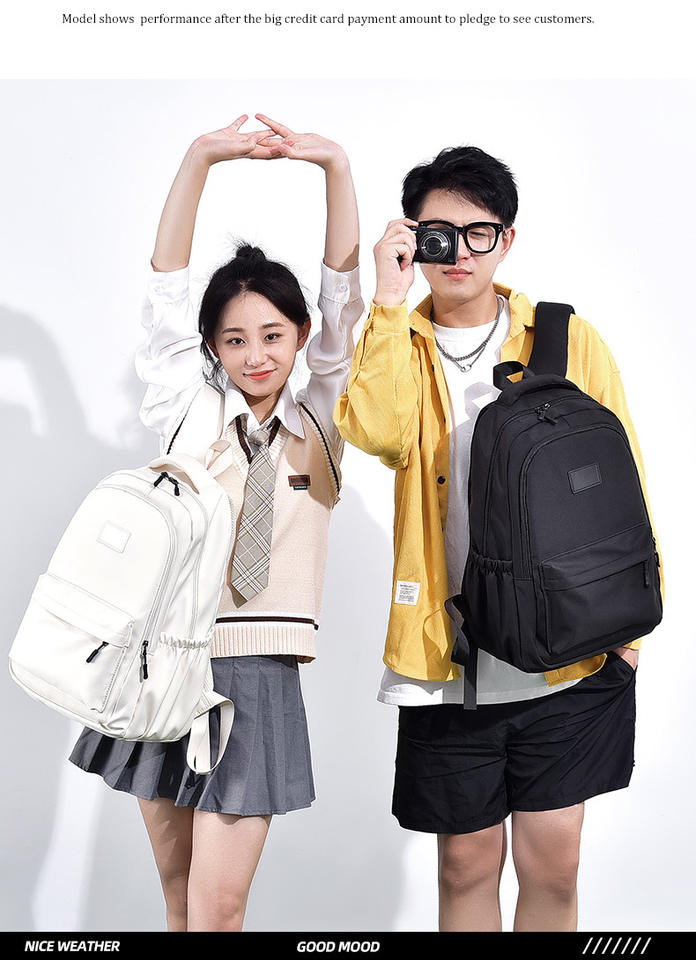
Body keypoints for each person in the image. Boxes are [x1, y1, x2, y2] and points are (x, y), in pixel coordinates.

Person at [334, 146, 663, 931]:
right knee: (466, 863)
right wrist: (387, 298)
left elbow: (626, 483)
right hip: (450, 651)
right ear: (413, 238)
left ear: (506, 240)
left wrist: (631, 631)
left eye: (479, 232)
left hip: (572, 646)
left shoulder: (567, 339)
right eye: (439, 234)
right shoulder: (398, 339)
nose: (460, 251)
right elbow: (374, 432)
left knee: (555, 863)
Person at [69, 114, 363, 931]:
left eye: (272, 335)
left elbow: (344, 304)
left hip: (259, 673)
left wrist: (335, 167)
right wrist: (201, 155)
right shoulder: (188, 410)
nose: (256, 355)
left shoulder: (323, 417)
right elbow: (165, 288)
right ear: (212, 346)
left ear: (300, 336)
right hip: (163, 661)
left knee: (220, 907)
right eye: (235, 340)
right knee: (179, 894)